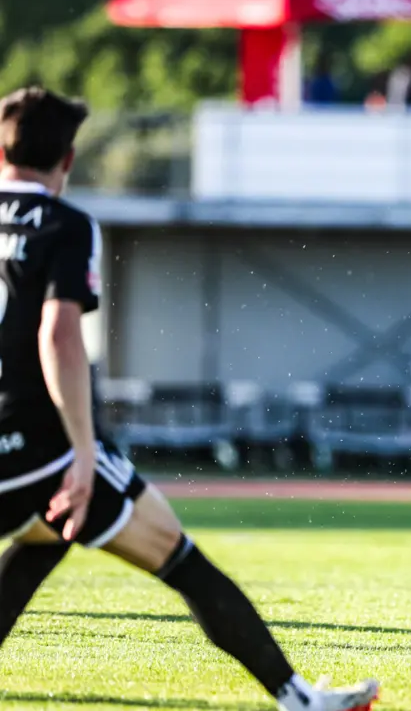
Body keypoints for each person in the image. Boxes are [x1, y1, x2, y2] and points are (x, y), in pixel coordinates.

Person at [0, 87, 378, 711]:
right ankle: (299, 698)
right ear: (67, 160)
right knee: (182, 559)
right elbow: (58, 335)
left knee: (44, 539)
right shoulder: (66, 226)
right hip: (44, 447)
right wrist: (85, 453)